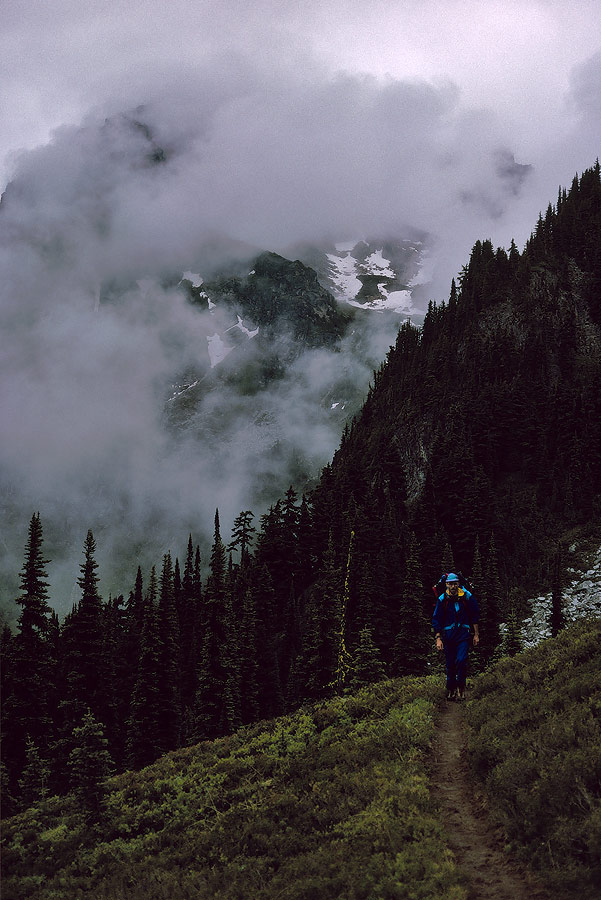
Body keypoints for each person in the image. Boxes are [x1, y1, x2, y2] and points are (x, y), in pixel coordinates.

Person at [432, 573, 479, 700]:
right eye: (450, 583)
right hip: (448, 636)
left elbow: (474, 614)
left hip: (463, 634)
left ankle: (461, 688)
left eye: (455, 583)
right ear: (446, 584)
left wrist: (476, 634)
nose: (452, 586)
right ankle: (451, 689)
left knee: (461, 660)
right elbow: (437, 619)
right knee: (450, 664)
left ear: (458, 584)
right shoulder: (443, 599)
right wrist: (438, 638)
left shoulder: (466, 596)